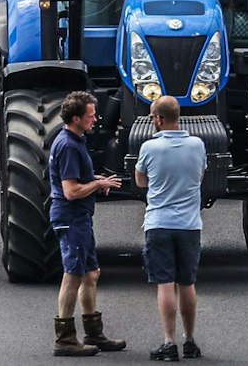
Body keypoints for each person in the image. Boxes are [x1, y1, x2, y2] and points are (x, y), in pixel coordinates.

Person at [49, 90, 126, 357]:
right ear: (76, 118)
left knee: (91, 274)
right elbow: (70, 191)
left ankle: (94, 333)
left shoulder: (75, 139)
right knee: (73, 276)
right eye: (91, 116)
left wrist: (94, 180)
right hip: (71, 218)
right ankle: (65, 339)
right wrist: (97, 184)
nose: (95, 120)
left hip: (80, 217)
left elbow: (76, 178)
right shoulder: (69, 145)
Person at [136, 95, 208, 362]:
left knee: (165, 285)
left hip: (159, 224)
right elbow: (200, 176)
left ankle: (169, 343)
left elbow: (141, 181)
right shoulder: (198, 145)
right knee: (187, 284)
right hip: (189, 225)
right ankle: (190, 341)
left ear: (159, 119)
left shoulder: (149, 148)